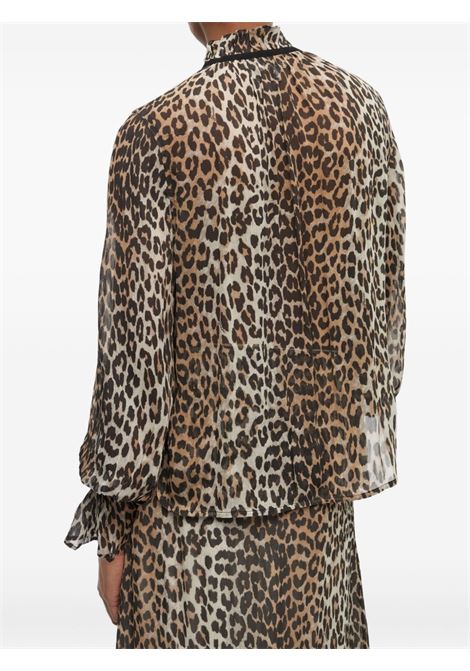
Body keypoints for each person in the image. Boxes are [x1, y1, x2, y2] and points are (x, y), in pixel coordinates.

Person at [64, 21, 406, 649]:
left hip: (187, 536)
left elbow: (135, 358)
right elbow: (386, 305)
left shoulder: (156, 132)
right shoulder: (362, 110)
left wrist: (110, 527)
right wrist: (351, 442)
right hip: (319, 526)